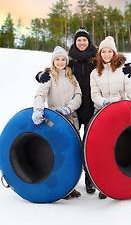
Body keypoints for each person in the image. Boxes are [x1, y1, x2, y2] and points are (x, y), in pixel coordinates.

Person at [35, 28, 131, 195]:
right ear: (74, 43)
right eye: (78, 40)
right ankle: (69, 184)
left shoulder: (95, 58)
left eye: (84, 40)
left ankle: (91, 181)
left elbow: (113, 64)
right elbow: (57, 70)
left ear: (89, 42)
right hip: (73, 111)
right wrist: (41, 75)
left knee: (94, 147)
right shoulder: (70, 61)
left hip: (94, 108)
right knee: (72, 148)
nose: (82, 43)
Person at [90, 36, 131, 199]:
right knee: (101, 150)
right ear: (100, 53)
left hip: (120, 113)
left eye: (110, 51)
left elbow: (130, 89)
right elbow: (94, 94)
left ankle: (119, 182)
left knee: (118, 146)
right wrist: (104, 102)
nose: (106, 54)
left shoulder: (123, 69)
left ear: (114, 52)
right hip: (101, 112)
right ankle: (102, 185)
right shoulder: (95, 72)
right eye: (103, 51)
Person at [32, 46, 82, 199]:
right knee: (58, 155)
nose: (60, 62)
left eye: (63, 59)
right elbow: (40, 94)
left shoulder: (71, 77)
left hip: (71, 120)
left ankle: (71, 187)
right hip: (55, 122)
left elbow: (78, 96)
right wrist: (38, 109)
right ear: (53, 61)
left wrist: (68, 108)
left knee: (73, 156)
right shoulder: (48, 77)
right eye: (57, 59)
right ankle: (61, 188)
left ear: (66, 61)